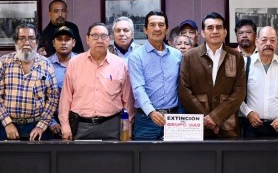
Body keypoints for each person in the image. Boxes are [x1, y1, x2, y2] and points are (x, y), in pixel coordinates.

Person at [59, 22, 134, 140]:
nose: (99, 40)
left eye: (104, 36)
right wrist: (65, 127)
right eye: (95, 36)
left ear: (109, 39)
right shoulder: (74, 63)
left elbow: (127, 100)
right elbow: (65, 99)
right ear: (87, 39)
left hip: (112, 125)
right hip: (81, 126)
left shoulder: (120, 64)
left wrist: (127, 127)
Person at [178, 12, 246, 139]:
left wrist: (216, 117)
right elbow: (184, 91)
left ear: (225, 32)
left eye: (219, 27)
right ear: (203, 33)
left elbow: (240, 91)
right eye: (210, 28)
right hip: (197, 126)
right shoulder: (190, 57)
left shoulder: (236, 57)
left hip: (228, 126)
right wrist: (207, 119)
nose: (215, 31)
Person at [0, 23, 59, 141]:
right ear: (16, 41)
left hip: (37, 126)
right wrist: (7, 123)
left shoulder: (46, 64)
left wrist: (41, 126)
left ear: (37, 42)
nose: (27, 43)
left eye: (31, 38)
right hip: (8, 126)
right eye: (22, 38)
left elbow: (53, 98)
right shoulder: (4, 62)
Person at [128, 11, 182, 140]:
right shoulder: (136, 56)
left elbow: (181, 86)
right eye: (152, 25)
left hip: (173, 119)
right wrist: (151, 112)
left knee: (176, 153)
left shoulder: (177, 55)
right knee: (144, 153)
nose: (157, 28)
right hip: (146, 120)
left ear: (166, 29)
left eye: (161, 25)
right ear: (145, 29)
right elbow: (138, 89)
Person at [239, 26, 278, 138]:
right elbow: (236, 95)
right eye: (264, 40)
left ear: (277, 44)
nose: (268, 43)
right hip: (251, 126)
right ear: (256, 42)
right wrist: (248, 113)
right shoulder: (245, 64)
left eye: (272, 40)